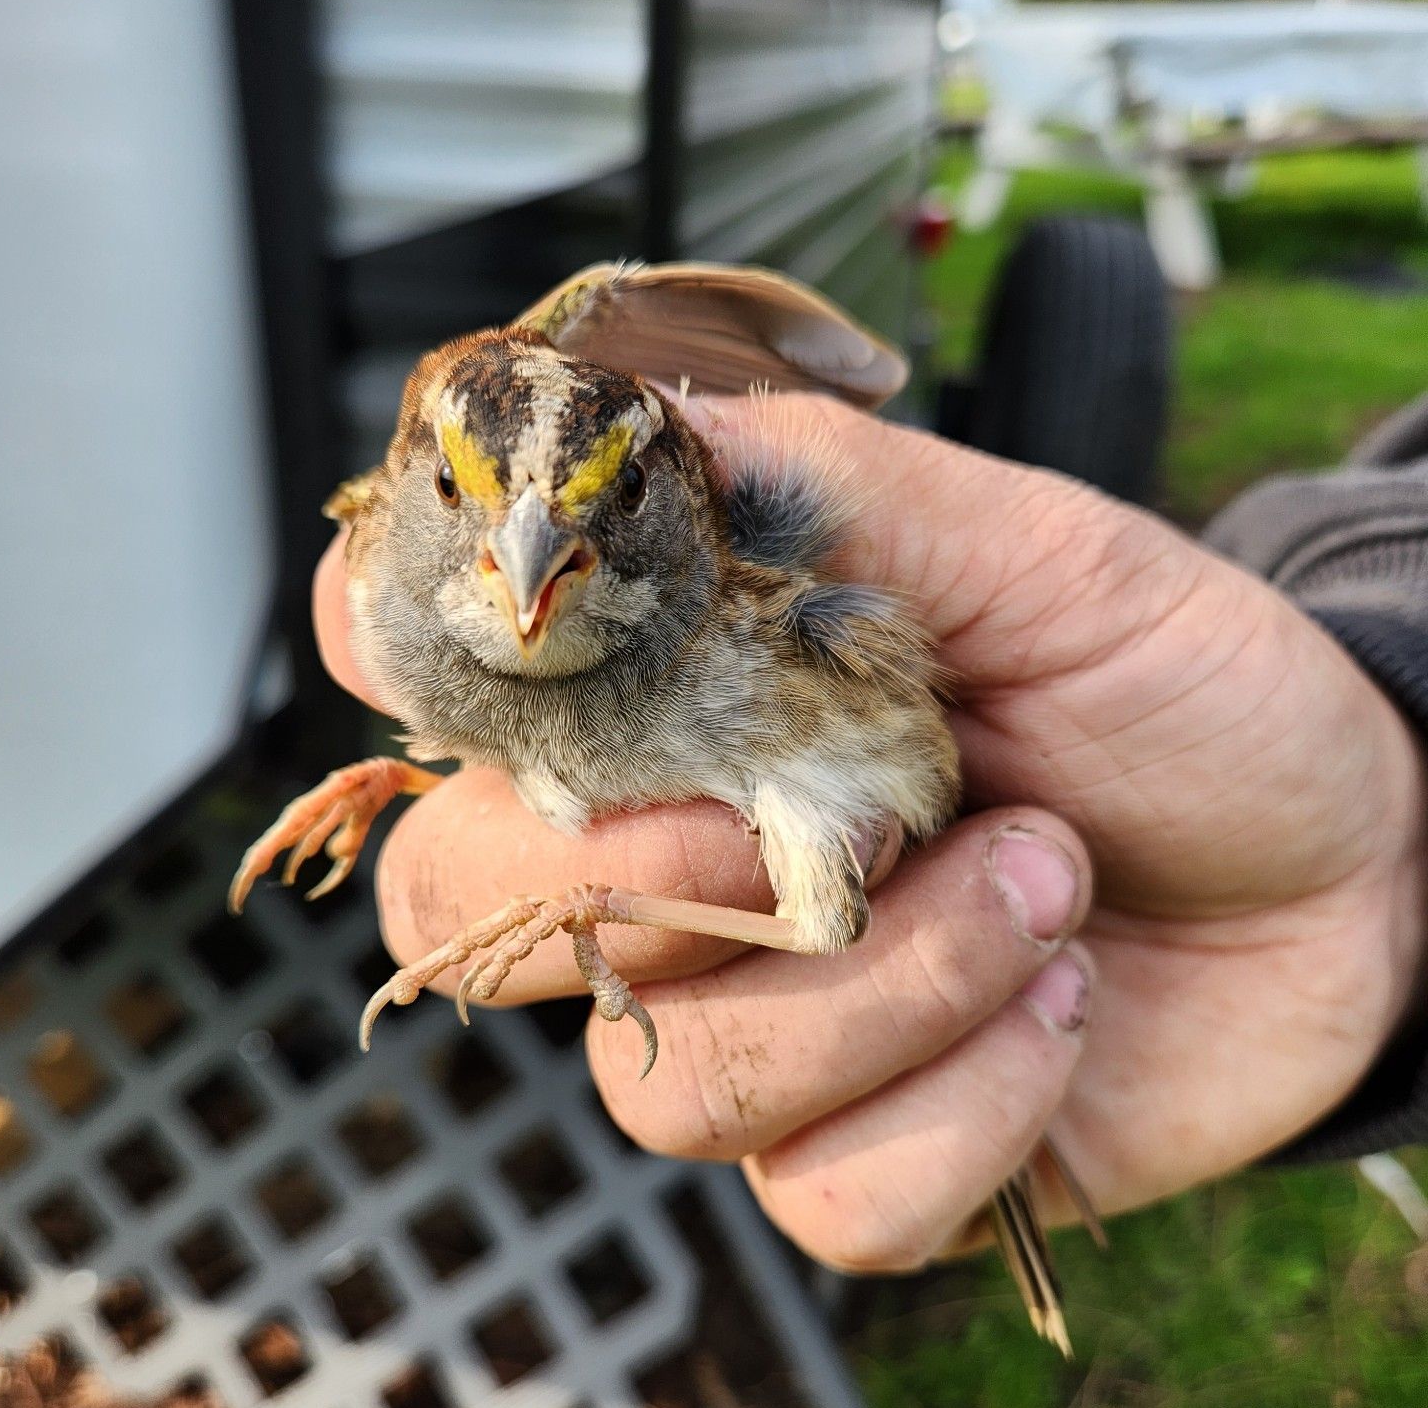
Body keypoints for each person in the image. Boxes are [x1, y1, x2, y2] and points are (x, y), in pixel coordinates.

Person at [312, 390, 1428, 1275]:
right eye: (467, 495)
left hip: (872, 773)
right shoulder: (403, 569)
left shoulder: (713, 556)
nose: (526, 561)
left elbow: (820, 932)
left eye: (624, 490)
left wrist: (599, 904)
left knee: (805, 910)